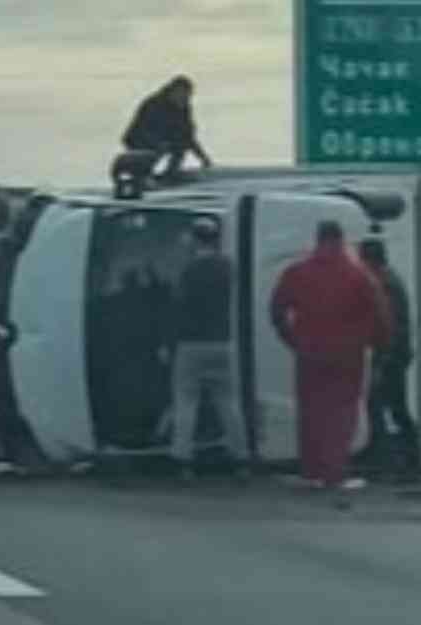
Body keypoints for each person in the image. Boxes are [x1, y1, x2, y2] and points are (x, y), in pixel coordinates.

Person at [270, 221, 391, 502]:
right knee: (342, 412)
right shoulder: (359, 274)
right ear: (341, 239)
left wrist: (293, 340)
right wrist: (378, 346)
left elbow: (276, 310)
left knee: (311, 410)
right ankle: (334, 474)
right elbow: (382, 315)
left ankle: (311, 471)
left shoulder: (297, 272)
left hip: (309, 352)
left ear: (317, 238)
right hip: (348, 354)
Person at [170, 217, 250, 481]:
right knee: (228, 403)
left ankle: (183, 461)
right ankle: (241, 458)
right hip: (222, 341)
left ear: (195, 239)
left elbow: (178, 306)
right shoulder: (227, 267)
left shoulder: (188, 270)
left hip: (191, 343)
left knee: (186, 402)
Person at [357, 238, 420, 483]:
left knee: (387, 406)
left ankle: (390, 458)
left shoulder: (384, 283)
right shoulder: (389, 279)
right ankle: (397, 457)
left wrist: (383, 359)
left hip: (390, 354)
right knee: (390, 405)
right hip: (394, 353)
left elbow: (390, 325)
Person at [118, 75, 212, 181]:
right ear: (173, 91)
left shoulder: (183, 108)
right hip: (139, 139)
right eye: (182, 94)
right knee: (159, 148)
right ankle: (143, 176)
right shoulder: (154, 104)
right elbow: (144, 130)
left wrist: (204, 159)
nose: (185, 98)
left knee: (181, 145)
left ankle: (170, 174)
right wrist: (159, 143)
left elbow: (188, 136)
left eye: (188, 95)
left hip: (162, 140)